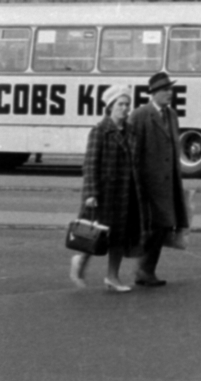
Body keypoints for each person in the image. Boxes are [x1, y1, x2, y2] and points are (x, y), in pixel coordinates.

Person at [72, 83, 142, 293]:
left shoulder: (131, 131)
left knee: (119, 236)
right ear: (110, 106)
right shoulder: (100, 131)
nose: (124, 108)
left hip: (125, 192)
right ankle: (80, 260)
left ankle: (112, 277)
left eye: (127, 104)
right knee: (95, 234)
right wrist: (91, 193)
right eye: (120, 104)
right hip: (104, 192)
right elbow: (90, 163)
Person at [130, 70, 190, 287]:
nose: (170, 93)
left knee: (165, 226)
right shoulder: (140, 115)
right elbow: (133, 152)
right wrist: (136, 183)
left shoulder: (171, 115)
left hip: (169, 182)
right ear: (153, 93)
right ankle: (143, 271)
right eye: (165, 90)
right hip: (150, 184)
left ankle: (145, 270)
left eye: (170, 89)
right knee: (155, 227)